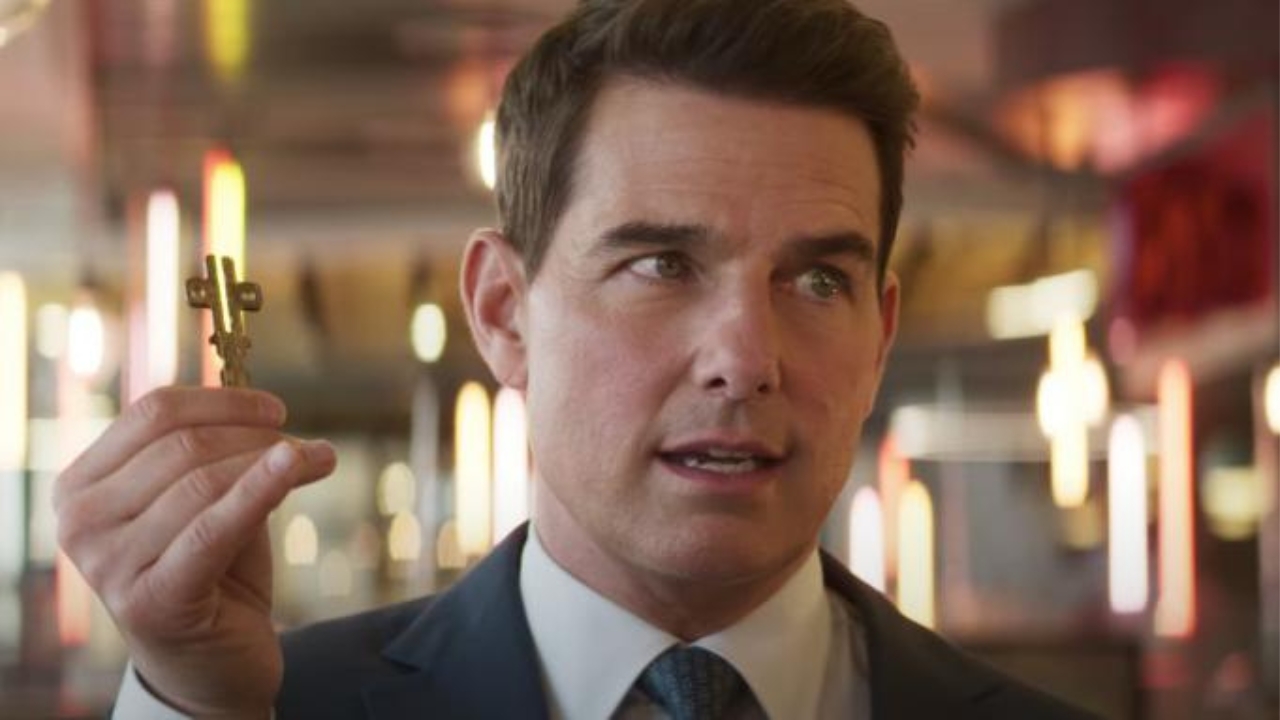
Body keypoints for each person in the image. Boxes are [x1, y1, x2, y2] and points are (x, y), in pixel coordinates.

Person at [56, 0, 1097, 718]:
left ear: (879, 337)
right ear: (504, 314)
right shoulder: (271, 707)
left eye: (818, 281)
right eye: (661, 265)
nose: (745, 359)